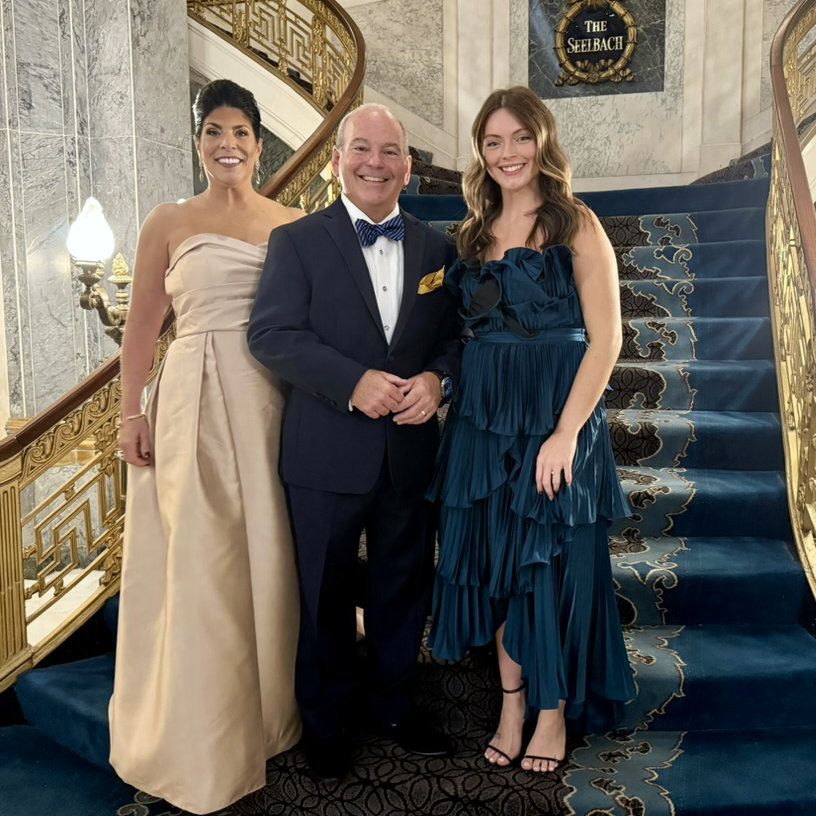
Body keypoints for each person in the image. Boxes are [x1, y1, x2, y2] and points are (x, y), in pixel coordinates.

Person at [247, 103, 461, 781]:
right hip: (324, 452)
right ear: (336, 160)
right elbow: (272, 334)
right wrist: (350, 382)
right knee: (323, 594)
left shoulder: (440, 248)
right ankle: (328, 722)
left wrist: (438, 380)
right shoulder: (297, 241)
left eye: (391, 150)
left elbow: (456, 340)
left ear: (408, 164)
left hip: (409, 450)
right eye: (362, 149)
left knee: (404, 584)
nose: (377, 162)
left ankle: (397, 707)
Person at [427, 86, 636, 774]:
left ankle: (550, 712)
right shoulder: (470, 236)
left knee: (547, 568)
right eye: (493, 141)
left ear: (542, 142)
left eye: (519, 138)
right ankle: (511, 705)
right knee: (494, 569)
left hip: (558, 418)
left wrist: (566, 433)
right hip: (484, 424)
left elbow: (607, 340)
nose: (507, 153)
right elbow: (455, 336)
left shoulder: (577, 222)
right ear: (481, 154)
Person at [109, 79, 303, 814]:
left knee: (267, 552)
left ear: (260, 143)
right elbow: (140, 330)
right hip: (188, 396)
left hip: (268, 398)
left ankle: (267, 718)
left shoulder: (291, 221)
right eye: (215, 131)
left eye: (241, 132)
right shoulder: (169, 220)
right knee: (203, 556)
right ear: (199, 141)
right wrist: (130, 413)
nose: (228, 144)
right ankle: (197, 732)